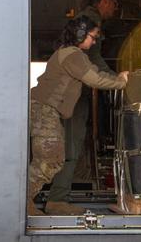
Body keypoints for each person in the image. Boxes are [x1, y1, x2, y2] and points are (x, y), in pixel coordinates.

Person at [28, 16, 129, 216]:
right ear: (81, 34)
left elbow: (93, 73)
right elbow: (94, 78)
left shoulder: (72, 54)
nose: (93, 41)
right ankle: (20, 201)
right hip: (44, 110)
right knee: (49, 159)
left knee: (53, 158)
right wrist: (121, 82)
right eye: (92, 37)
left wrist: (116, 79)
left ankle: (51, 202)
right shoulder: (73, 55)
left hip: (46, 111)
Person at [45, 0, 120, 215]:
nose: (115, 10)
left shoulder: (85, 22)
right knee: (70, 146)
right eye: (115, 4)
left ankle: (57, 197)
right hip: (73, 99)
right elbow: (93, 61)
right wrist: (116, 79)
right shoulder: (88, 22)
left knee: (69, 145)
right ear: (105, 1)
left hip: (72, 96)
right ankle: (57, 199)